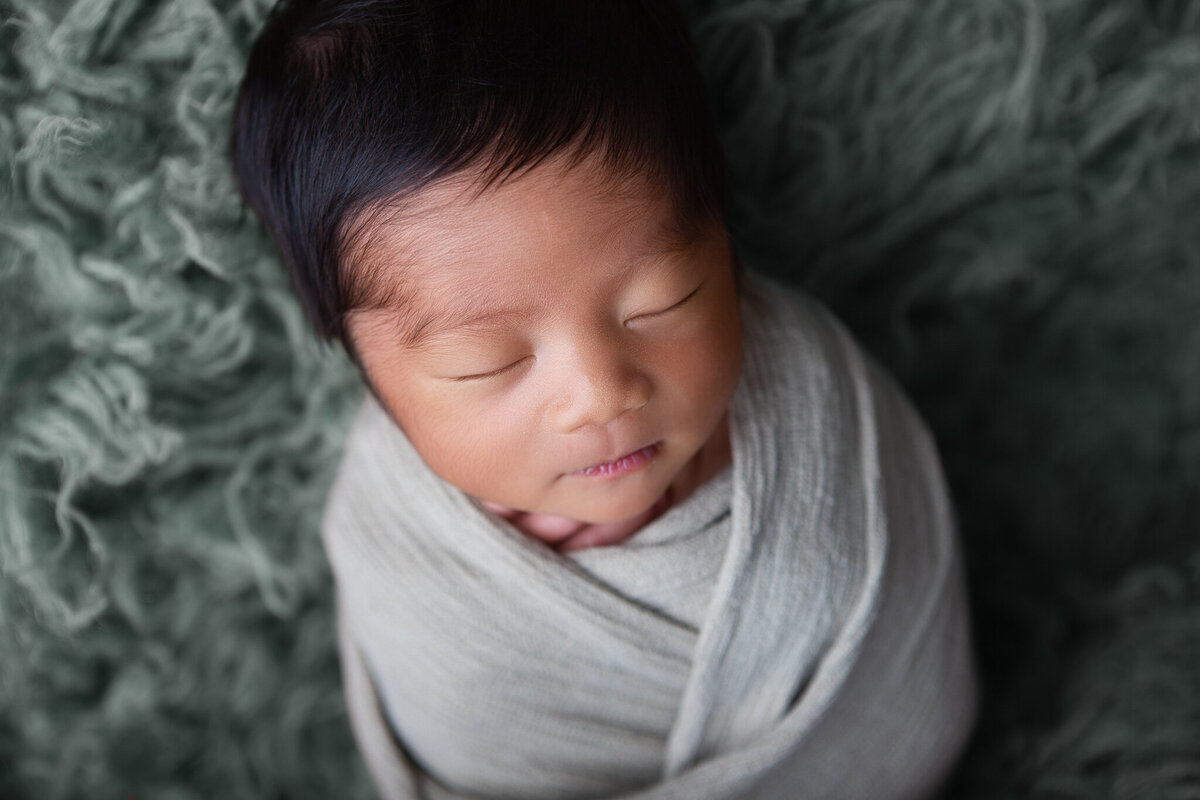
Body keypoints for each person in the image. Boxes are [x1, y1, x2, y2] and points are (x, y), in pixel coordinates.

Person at [230, 1, 978, 798]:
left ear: (722, 236)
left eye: (663, 300)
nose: (601, 395)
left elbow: (907, 679)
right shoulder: (407, 556)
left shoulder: (822, 415)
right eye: (488, 364)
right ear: (369, 378)